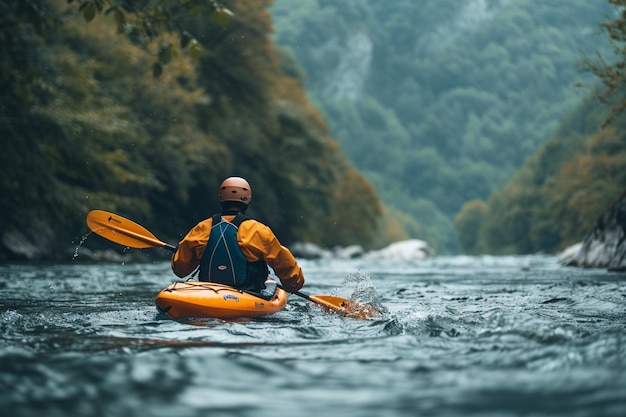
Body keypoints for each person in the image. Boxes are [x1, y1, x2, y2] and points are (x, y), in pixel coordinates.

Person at [171, 176, 305, 297]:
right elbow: (285, 264)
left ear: (221, 198)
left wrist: (180, 252)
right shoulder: (258, 231)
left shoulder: (202, 228)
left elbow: (180, 269)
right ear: (247, 200)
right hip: (248, 293)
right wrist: (293, 285)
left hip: (208, 292)